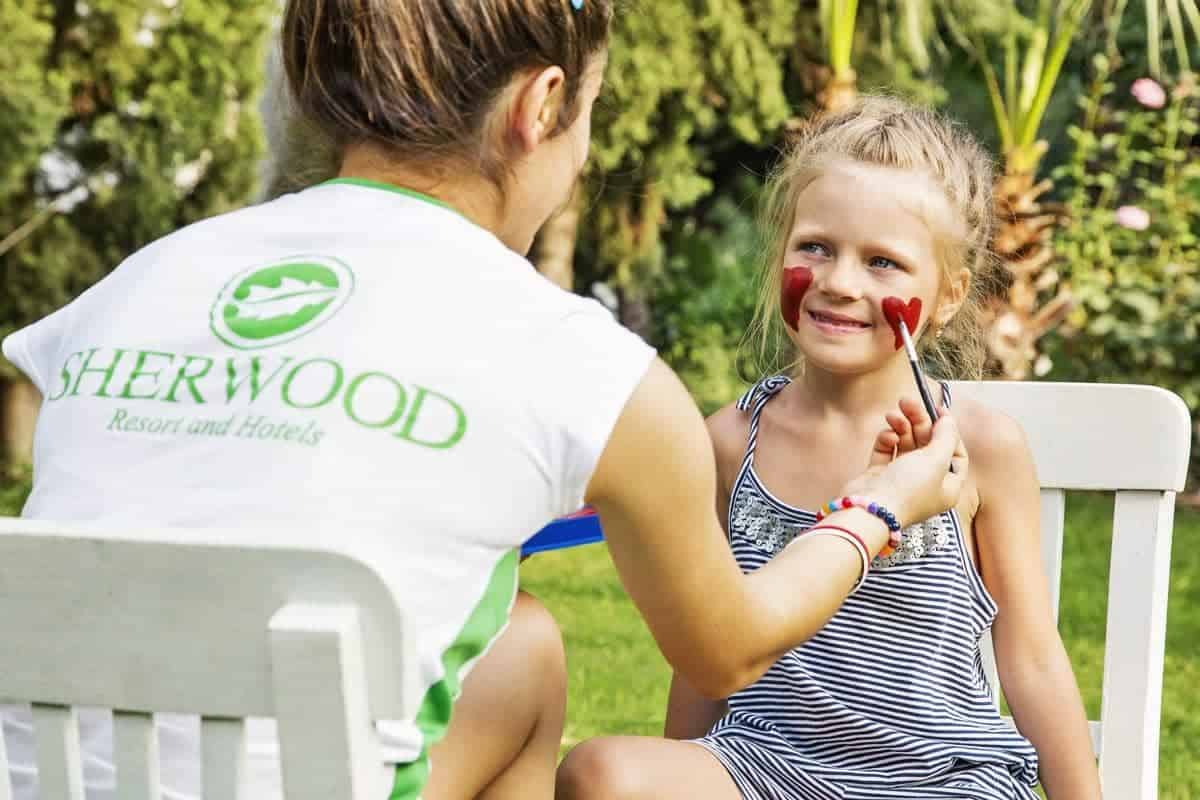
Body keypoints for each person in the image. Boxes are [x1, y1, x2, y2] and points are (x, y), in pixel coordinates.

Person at [0, 1, 967, 796]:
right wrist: (884, 505)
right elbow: (729, 654)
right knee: (522, 650)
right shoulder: (581, 362)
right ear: (541, 106)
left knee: (518, 641)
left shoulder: (139, 280)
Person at [555, 97, 1102, 800]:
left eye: (883, 263)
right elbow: (704, 649)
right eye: (815, 247)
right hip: (768, 768)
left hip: (939, 780)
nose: (839, 283)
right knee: (602, 775)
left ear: (947, 296)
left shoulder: (982, 448)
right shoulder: (729, 444)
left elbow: (1031, 658)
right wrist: (680, 768)